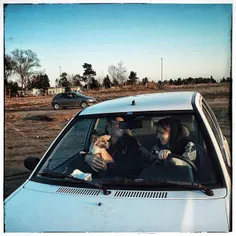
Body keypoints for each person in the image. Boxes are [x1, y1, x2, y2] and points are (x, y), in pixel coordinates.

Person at [84, 116, 151, 177]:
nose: (121, 127)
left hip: (123, 183)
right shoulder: (99, 141)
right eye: (118, 123)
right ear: (109, 124)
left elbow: (129, 168)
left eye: (123, 124)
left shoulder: (132, 142)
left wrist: (103, 153)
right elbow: (83, 154)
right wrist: (87, 157)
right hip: (98, 184)